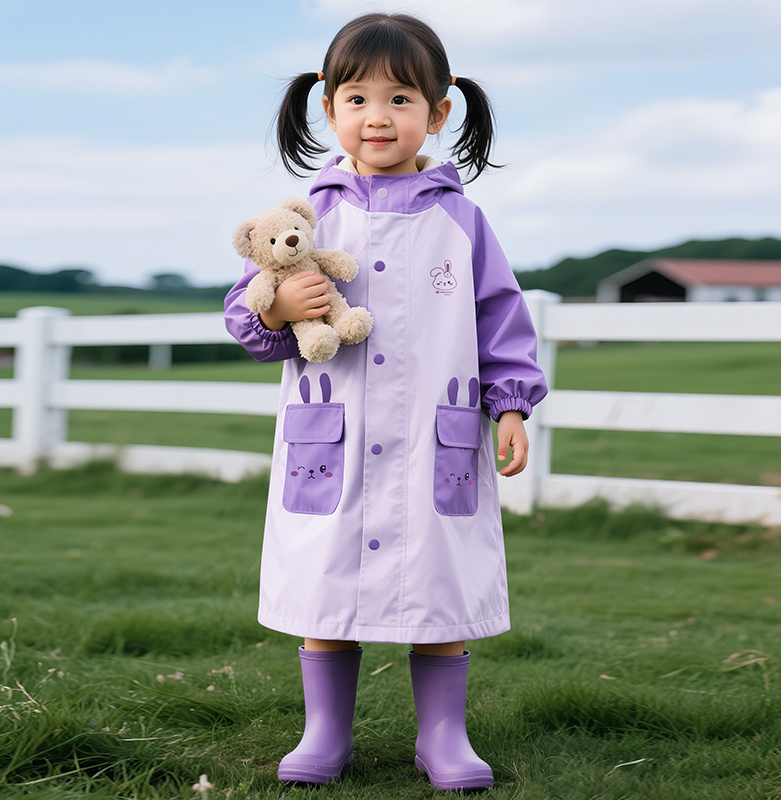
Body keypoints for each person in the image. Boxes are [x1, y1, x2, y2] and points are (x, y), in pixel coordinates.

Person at [224, 12, 547, 791]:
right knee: (326, 587)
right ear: (329, 109)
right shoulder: (307, 219)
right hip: (327, 440)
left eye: (401, 99)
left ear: (438, 113)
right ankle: (325, 733)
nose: (378, 116)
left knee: (439, 588)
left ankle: (443, 737)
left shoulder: (460, 220)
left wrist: (509, 404)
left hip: (437, 441)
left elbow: (500, 319)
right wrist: (278, 311)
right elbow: (248, 314)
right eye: (358, 98)